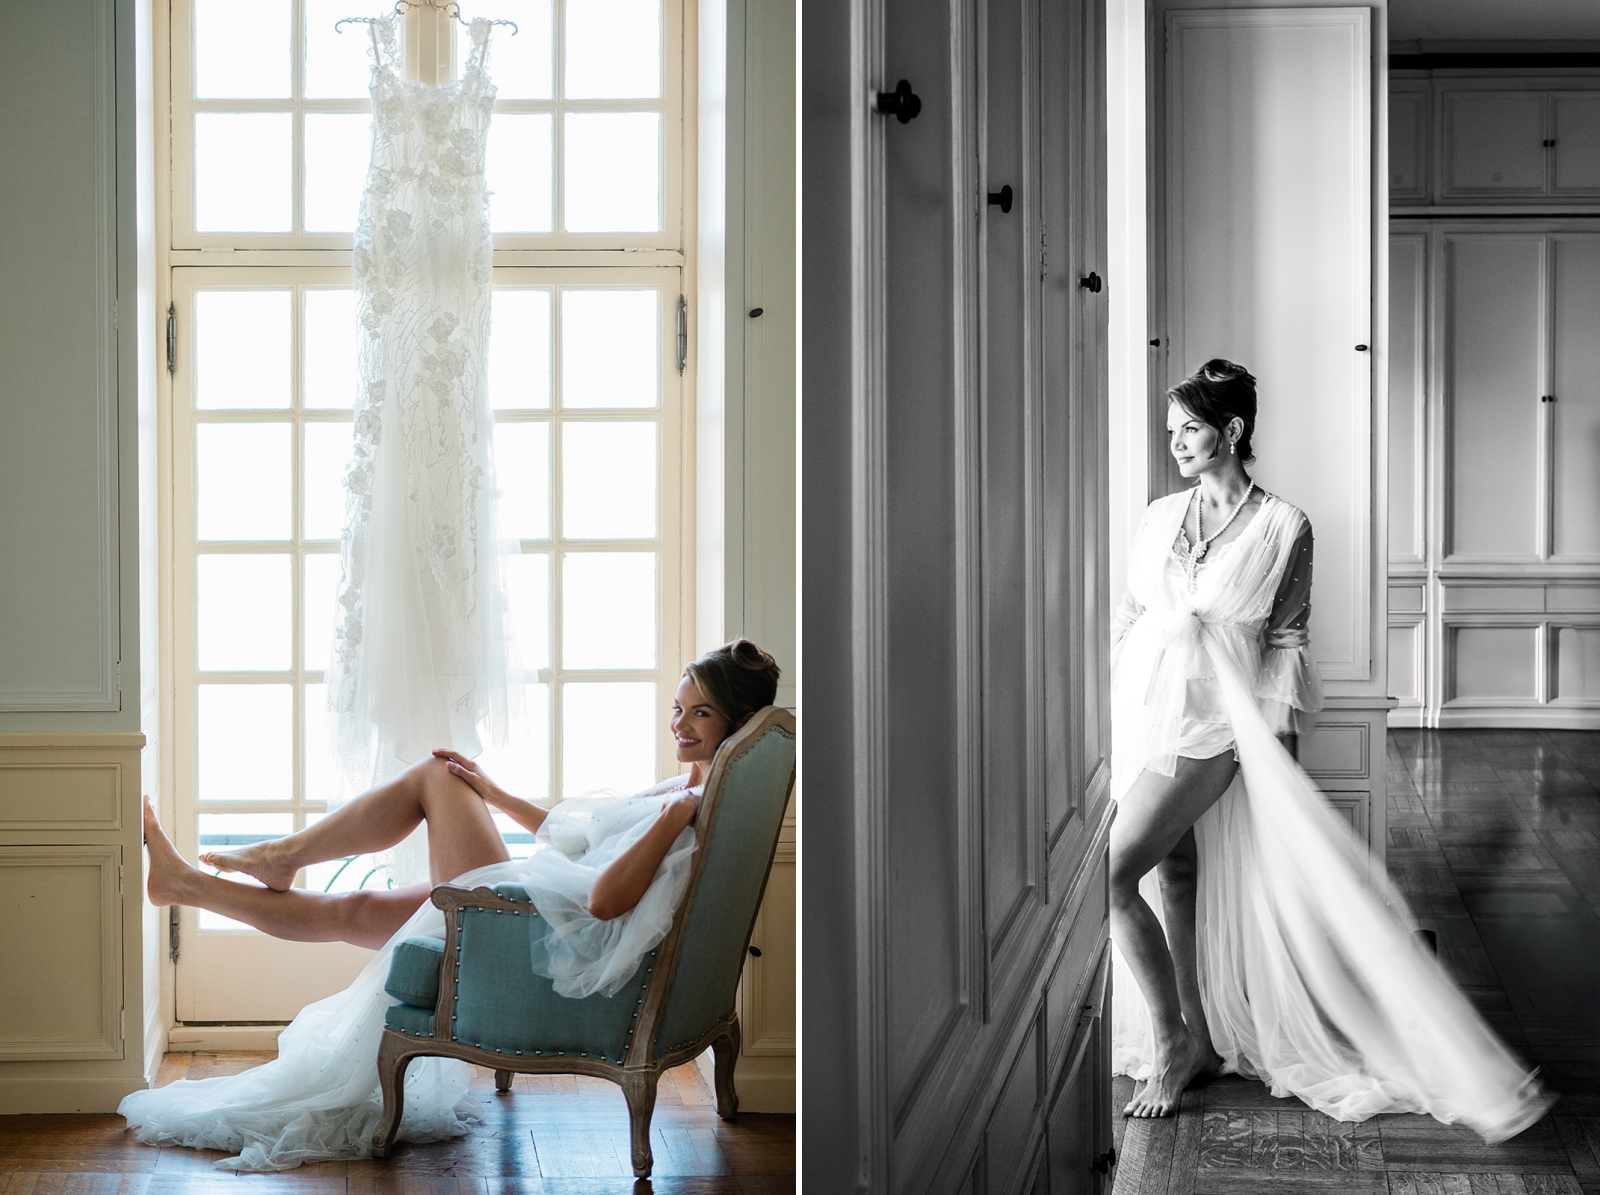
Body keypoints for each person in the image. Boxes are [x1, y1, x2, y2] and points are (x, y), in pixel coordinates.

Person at [121, 639, 782, 1170]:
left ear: (734, 720)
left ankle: (283, 855)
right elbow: (578, 834)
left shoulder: (685, 808)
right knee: (354, 911)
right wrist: (493, 793)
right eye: (677, 707)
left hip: (526, 923)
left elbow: (608, 898)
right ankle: (188, 885)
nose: (681, 724)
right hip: (532, 902)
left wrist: (667, 822)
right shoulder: (699, 787)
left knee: (432, 778)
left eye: (701, 712)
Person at [1109, 359, 1549, 1139]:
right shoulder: (1157, 514)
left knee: (1112, 874)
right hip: (1145, 711)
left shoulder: (1285, 526)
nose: (1174, 441)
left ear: (1233, 430)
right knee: (1175, 869)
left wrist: (1276, 752)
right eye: (1171, 428)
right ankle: (1201, 1035)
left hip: (1217, 726)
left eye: (1190, 428)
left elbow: (1285, 641)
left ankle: (1170, 1043)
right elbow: (1129, 616)